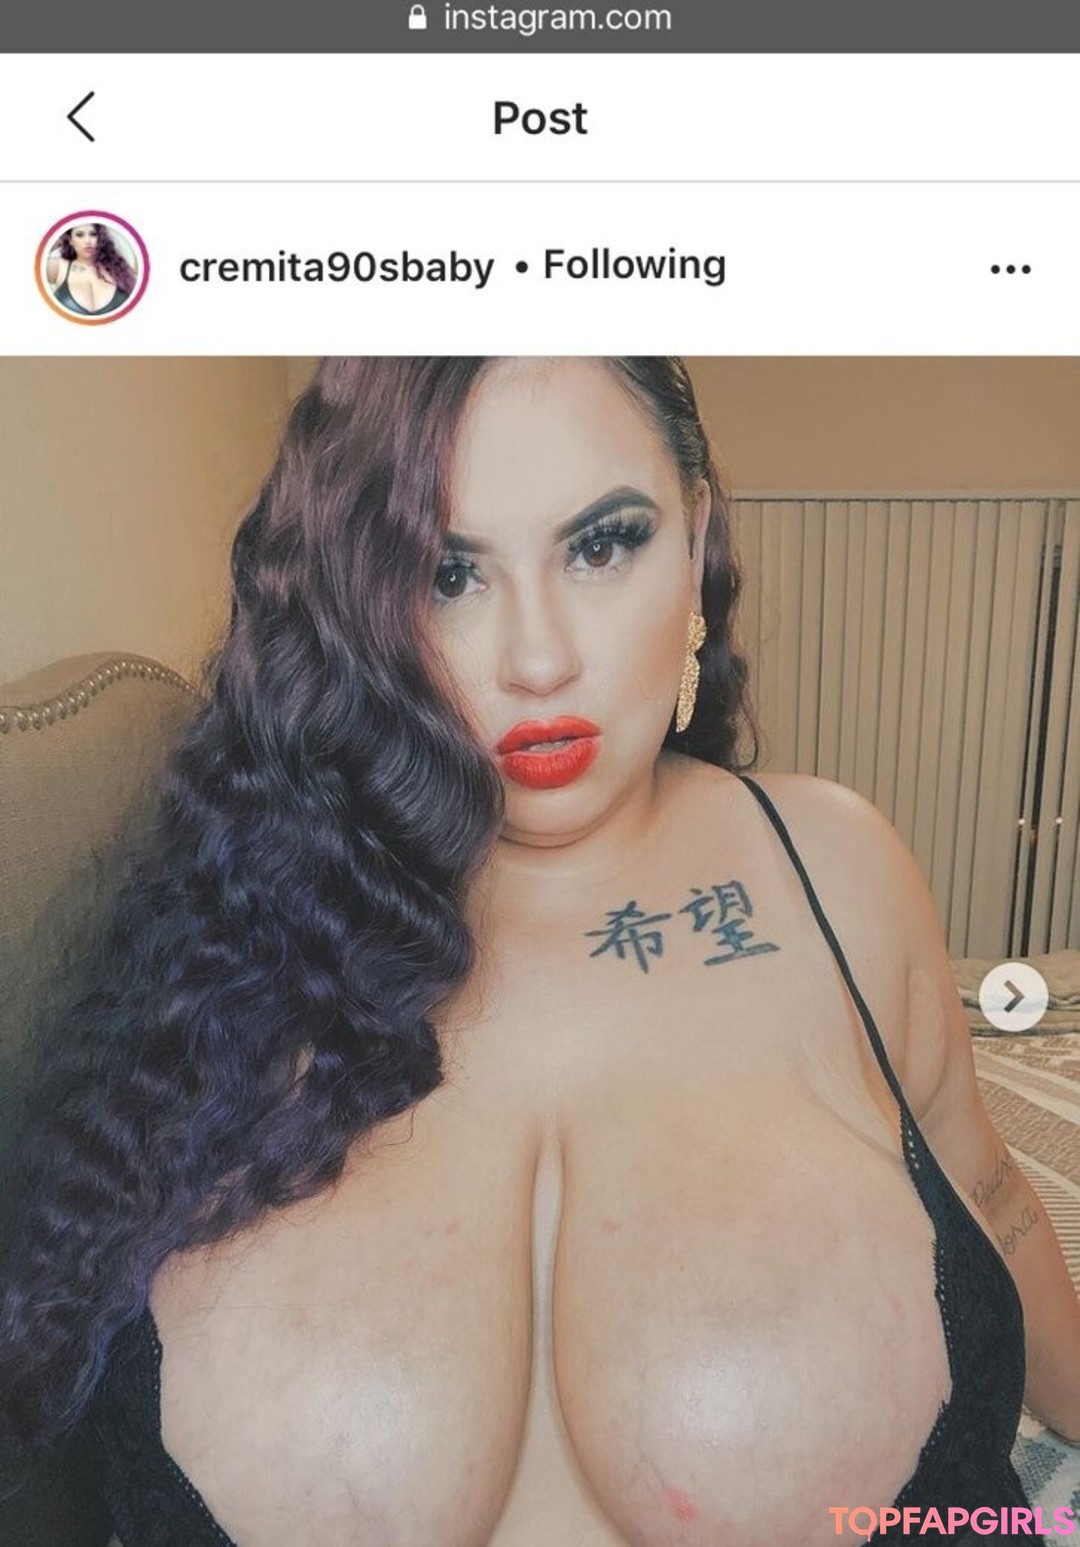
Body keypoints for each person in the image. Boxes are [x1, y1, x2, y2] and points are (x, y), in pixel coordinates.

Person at [1, 357, 1077, 1547]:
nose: (539, 658)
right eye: (448, 571)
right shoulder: (241, 922)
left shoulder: (841, 864)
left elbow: (990, 1195)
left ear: (696, 539)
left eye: (602, 545)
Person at [46, 222, 136, 317]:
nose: (88, 241)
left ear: (101, 238)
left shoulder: (119, 268)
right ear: (70, 240)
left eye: (93, 234)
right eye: (80, 235)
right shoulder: (58, 265)